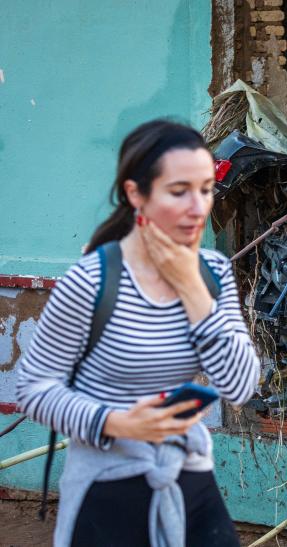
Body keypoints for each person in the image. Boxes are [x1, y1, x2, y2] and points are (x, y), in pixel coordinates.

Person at [15, 120, 260, 546]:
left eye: (205, 189)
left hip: (189, 479)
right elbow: (33, 388)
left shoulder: (213, 272)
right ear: (136, 194)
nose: (198, 207)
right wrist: (118, 423)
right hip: (107, 487)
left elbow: (240, 386)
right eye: (179, 191)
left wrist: (191, 289)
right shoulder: (92, 280)